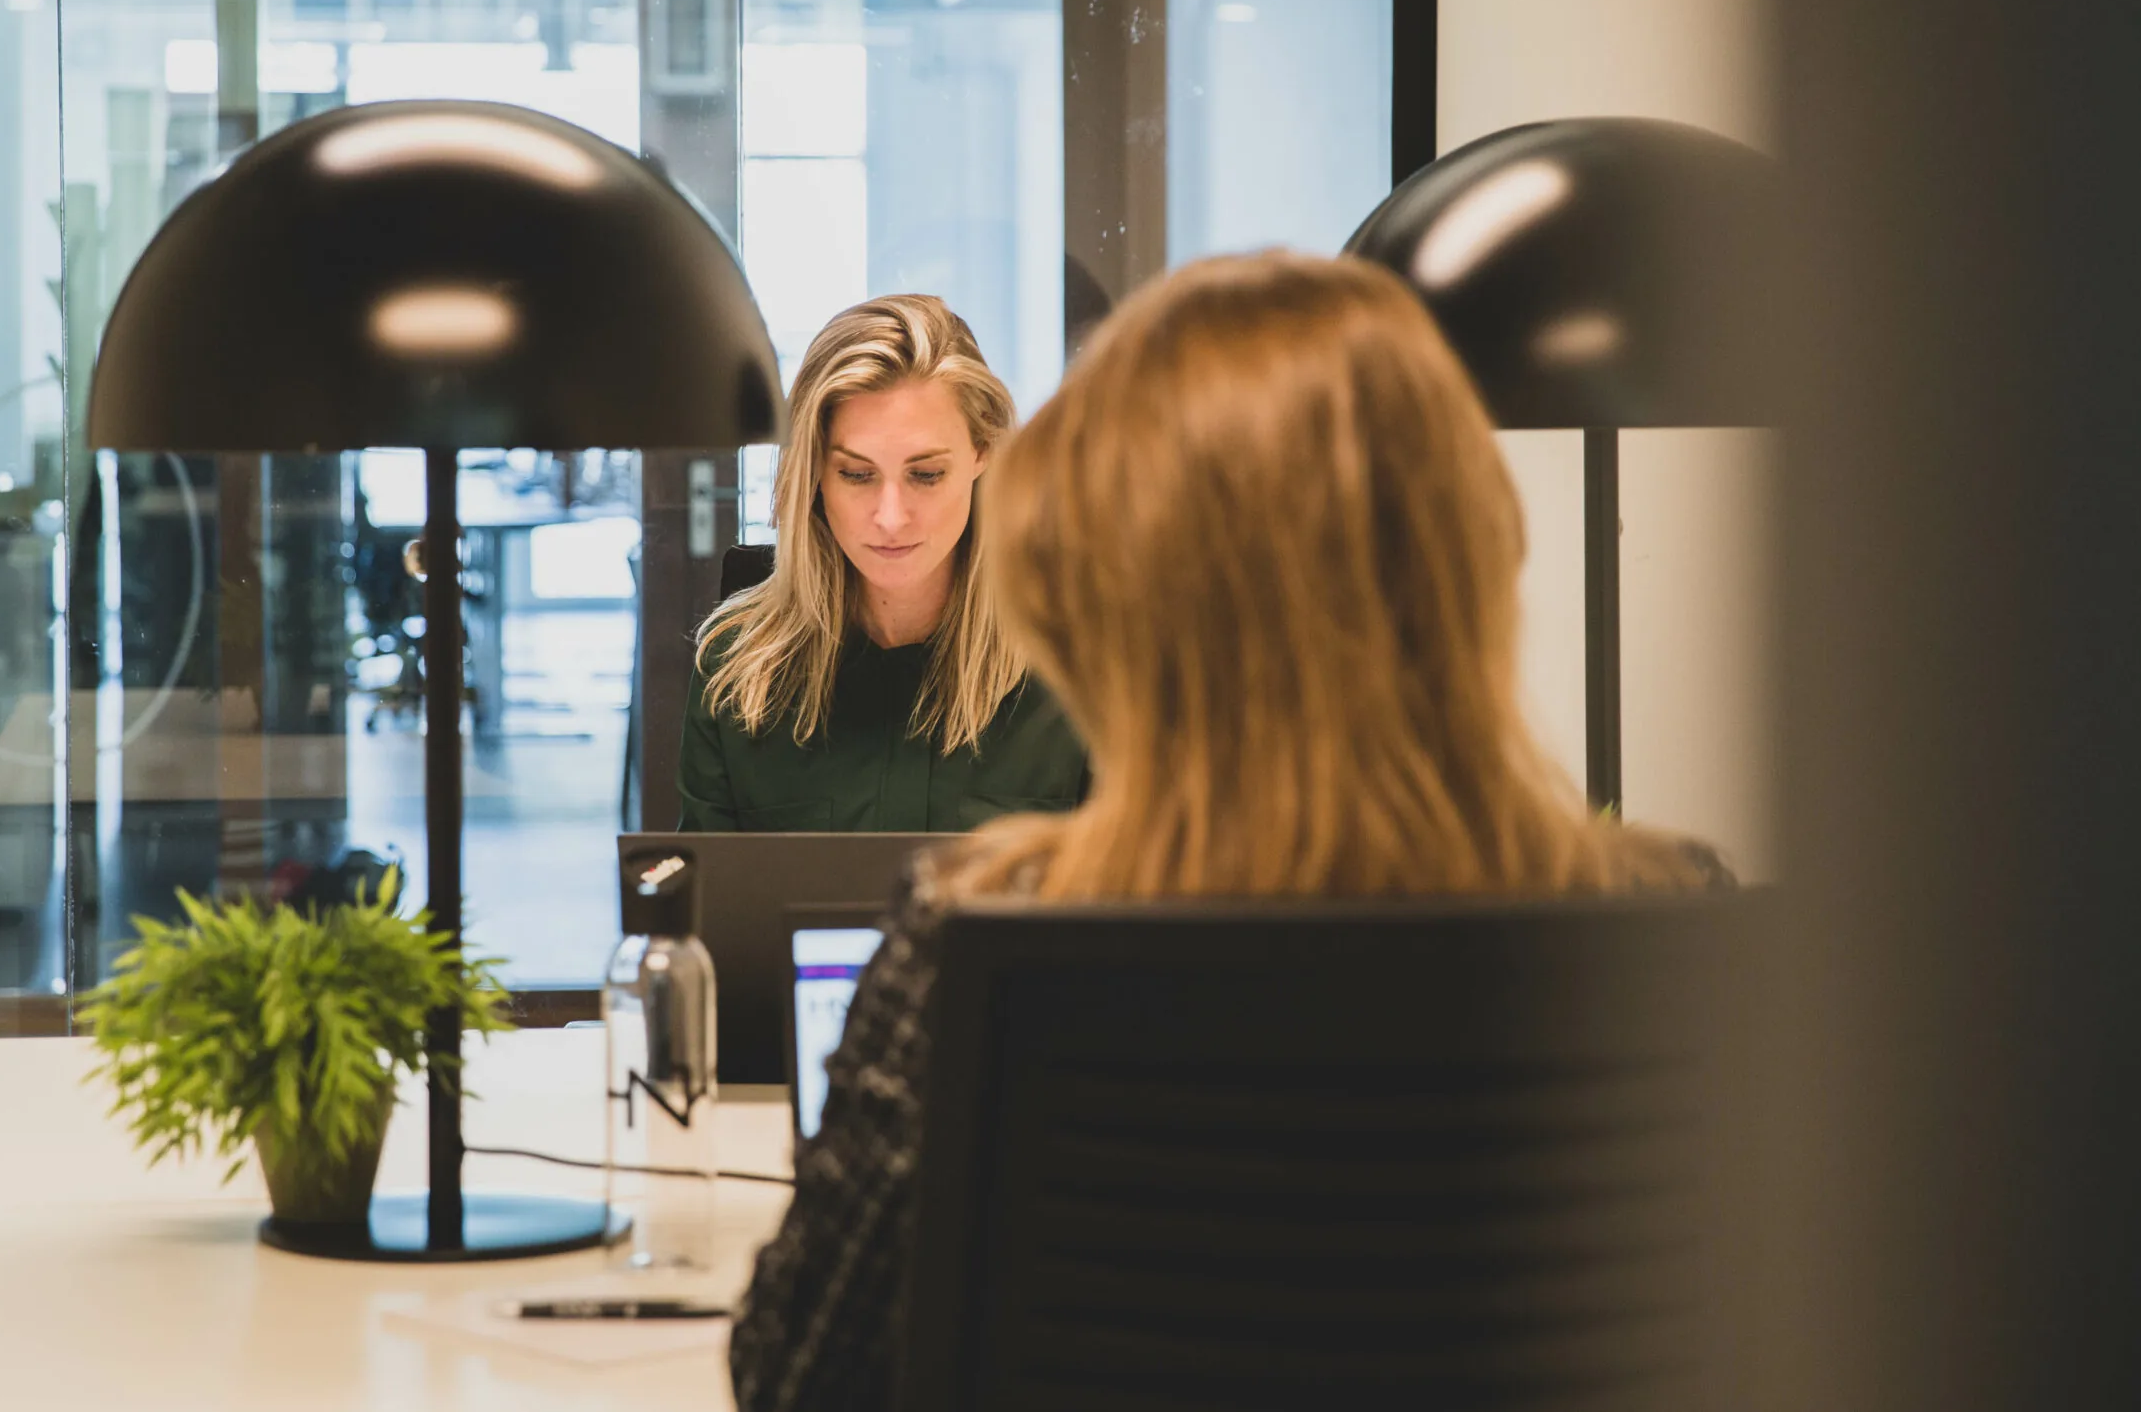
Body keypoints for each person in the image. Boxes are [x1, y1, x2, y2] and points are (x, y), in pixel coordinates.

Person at [727, 252, 1732, 1412]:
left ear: (1101, 601)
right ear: (1481, 553)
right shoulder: (1674, 929)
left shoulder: (977, 946)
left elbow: (797, 1382)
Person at [675, 294, 1089, 833]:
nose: (891, 519)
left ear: (982, 451)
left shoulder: (1079, 668)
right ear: (815, 473)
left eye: (926, 474)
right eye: (856, 474)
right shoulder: (736, 674)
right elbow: (704, 910)